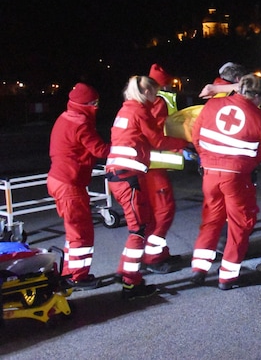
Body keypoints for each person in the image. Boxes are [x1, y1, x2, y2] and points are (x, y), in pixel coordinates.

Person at [106, 76, 188, 300]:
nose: (157, 97)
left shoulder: (126, 109)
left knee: (140, 227)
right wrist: (184, 144)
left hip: (121, 174)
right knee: (139, 230)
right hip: (128, 177)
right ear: (147, 92)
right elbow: (157, 141)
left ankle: (125, 272)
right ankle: (131, 283)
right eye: (155, 92)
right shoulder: (139, 111)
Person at [189, 73, 261, 290]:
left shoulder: (213, 106)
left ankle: (199, 268)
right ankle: (227, 276)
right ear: (255, 96)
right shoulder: (259, 117)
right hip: (236, 178)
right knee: (240, 224)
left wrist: (208, 158)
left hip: (210, 174)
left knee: (211, 219)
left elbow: (196, 136)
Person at [46, 83, 110, 290]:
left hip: (60, 180)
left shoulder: (66, 116)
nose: (97, 107)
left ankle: (69, 272)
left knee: (74, 232)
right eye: (95, 103)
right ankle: (78, 276)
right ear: (87, 103)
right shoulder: (80, 122)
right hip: (69, 184)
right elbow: (100, 150)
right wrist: (123, 144)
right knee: (81, 233)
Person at [140, 63, 184, 273]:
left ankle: (159, 252)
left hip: (151, 166)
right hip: (154, 166)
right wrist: (181, 144)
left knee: (157, 212)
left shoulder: (149, 100)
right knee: (164, 211)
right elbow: (157, 136)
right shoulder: (158, 101)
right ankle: (153, 258)